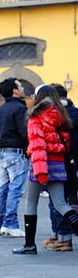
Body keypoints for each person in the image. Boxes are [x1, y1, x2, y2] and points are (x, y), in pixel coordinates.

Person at [12, 85, 78, 254]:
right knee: (61, 203)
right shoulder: (61, 116)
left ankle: (29, 245)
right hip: (58, 164)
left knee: (30, 202)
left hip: (40, 164)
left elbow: (37, 145)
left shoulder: (35, 117)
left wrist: (40, 173)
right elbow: (65, 142)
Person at [0, 78, 29, 237]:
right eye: (20, 86)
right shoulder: (20, 108)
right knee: (15, 189)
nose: (22, 88)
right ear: (15, 90)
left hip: (3, 152)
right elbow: (24, 132)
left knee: (3, 189)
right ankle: (10, 223)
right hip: (16, 152)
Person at [42, 84, 78, 251]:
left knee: (57, 200)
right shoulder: (73, 111)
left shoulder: (57, 115)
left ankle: (63, 237)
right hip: (71, 159)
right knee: (66, 198)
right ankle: (60, 235)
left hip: (59, 159)